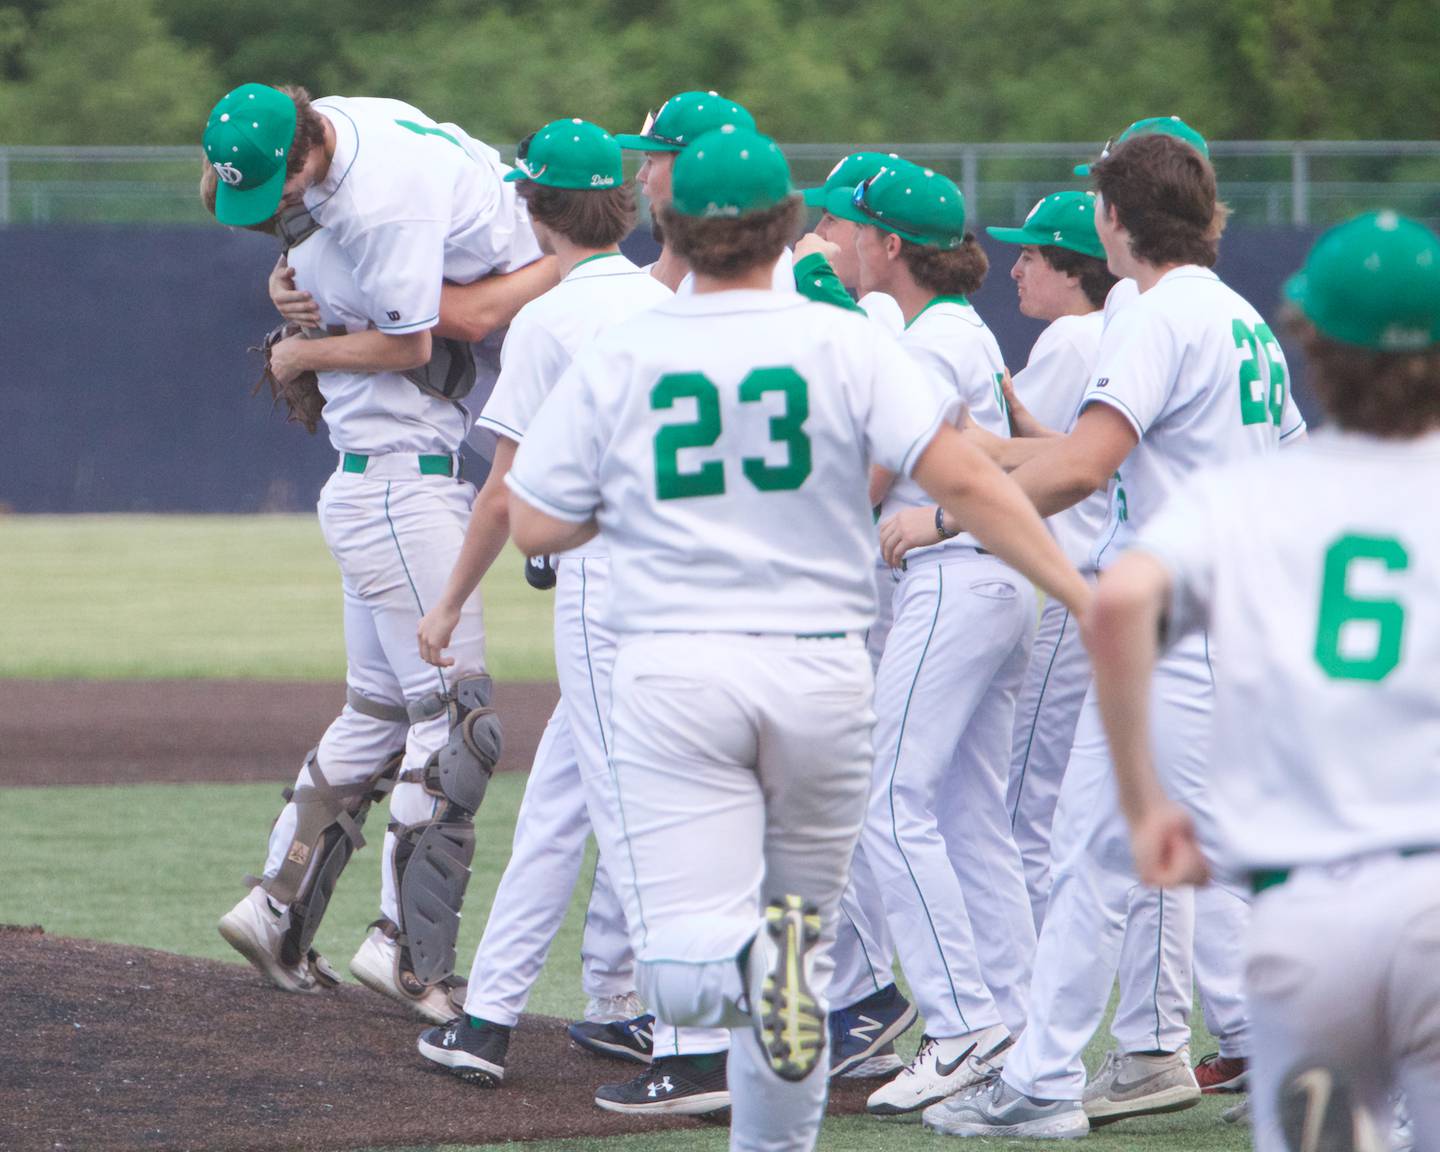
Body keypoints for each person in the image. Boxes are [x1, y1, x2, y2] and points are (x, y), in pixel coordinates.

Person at [503, 124, 1089, 1152]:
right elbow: (967, 479)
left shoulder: (630, 345)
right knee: (798, 949)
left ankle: (730, 968)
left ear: (669, 223)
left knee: (689, 953)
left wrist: (650, 497)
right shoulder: (848, 341)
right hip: (818, 670)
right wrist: (1078, 598)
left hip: (677, 669)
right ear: (784, 228)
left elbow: (536, 522)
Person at [922, 131, 1306, 1139]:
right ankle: (1071, 1080)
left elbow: (1088, 466)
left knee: (1140, 850)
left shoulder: (1162, 312)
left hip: (1183, 616)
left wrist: (948, 511)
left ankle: (1049, 1083)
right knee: (1149, 851)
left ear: (1114, 217)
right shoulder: (1234, 314)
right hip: (1229, 609)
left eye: (1099, 200)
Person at [1090, 209, 1440, 1152]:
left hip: (1311, 914)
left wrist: (1144, 801)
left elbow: (1119, 605)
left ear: (1311, 342)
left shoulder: (1251, 496)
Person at [407, 119, 671, 1088]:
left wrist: (445, 607)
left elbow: (503, 493)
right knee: (559, 809)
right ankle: (486, 1021)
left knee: (627, 812)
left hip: (606, 591)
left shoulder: (554, 318)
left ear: (533, 206)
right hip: (673, 580)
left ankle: (686, 1039)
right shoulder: (659, 301)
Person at [202, 164, 499, 1025]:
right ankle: (407, 951)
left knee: (377, 712)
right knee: (455, 720)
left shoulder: (318, 252)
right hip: (410, 492)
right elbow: (466, 318)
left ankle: (276, 908)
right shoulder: (374, 236)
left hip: (369, 484)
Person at [807, 159, 1041, 1117]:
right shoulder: (957, 327)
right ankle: (1023, 1035)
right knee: (971, 815)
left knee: (887, 804)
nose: (840, 239)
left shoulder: (924, 341)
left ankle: (956, 1026)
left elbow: (874, 477)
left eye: (850, 226)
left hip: (952, 577)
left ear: (889, 243)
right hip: (994, 581)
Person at [617, 90, 796, 295]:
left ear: (694, 169)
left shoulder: (774, 276)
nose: (641, 175)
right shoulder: (634, 287)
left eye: (651, 161)